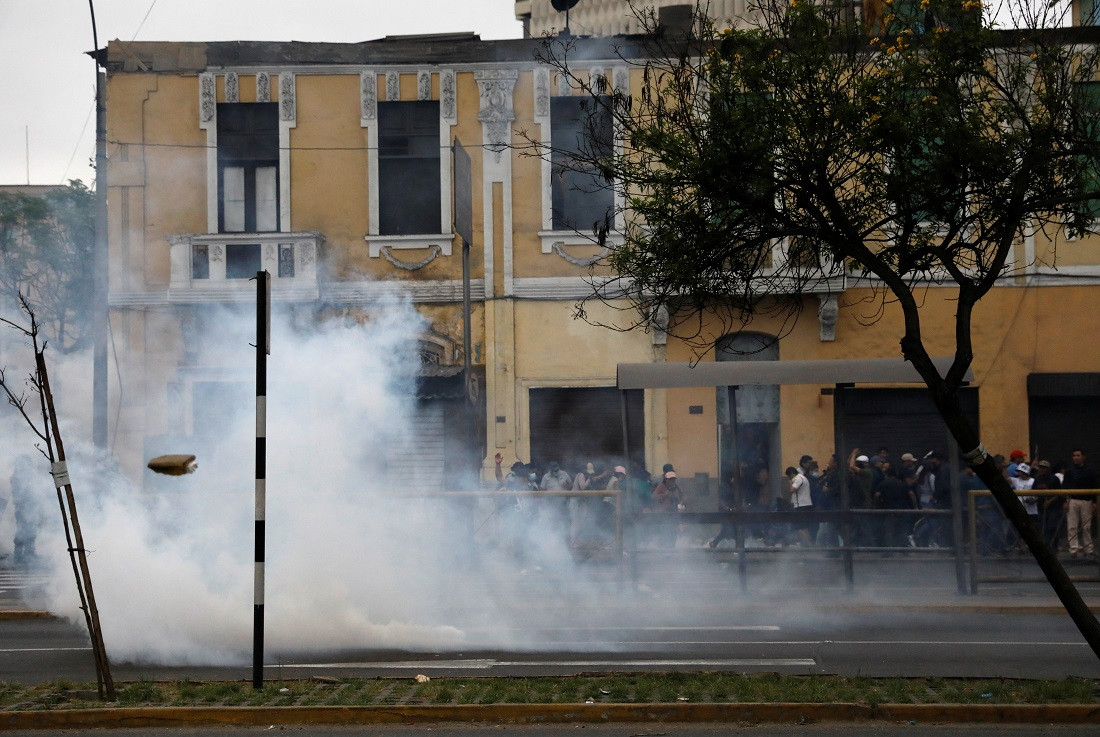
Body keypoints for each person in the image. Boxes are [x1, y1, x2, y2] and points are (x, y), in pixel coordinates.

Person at [1062, 448, 1097, 560]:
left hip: (1087, 501)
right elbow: (1065, 487)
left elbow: (1095, 485)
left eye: (1078, 455)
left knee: (1086, 526)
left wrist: (1095, 502)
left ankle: (1088, 549)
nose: (1076, 457)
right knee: (1072, 526)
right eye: (1074, 455)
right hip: (1073, 500)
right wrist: (1066, 501)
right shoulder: (1069, 470)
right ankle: (1074, 549)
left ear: (1083, 457)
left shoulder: (1090, 470)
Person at [1033, 459, 1064, 550]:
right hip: (1041, 507)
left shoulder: (1054, 478)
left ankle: (1053, 547)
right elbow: (1034, 491)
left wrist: (1049, 501)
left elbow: (1059, 493)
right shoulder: (1037, 478)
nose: (1041, 469)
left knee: (1052, 527)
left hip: (1053, 507)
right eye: (1040, 467)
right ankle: (1045, 547)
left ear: (1048, 469)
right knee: (1042, 527)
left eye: (1044, 468)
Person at [651, 470, 683, 548]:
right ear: (666, 479)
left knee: (673, 533)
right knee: (665, 533)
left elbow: (681, 497)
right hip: (664, 514)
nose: (672, 481)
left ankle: (671, 550)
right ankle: (664, 551)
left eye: (673, 479)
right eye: (670, 479)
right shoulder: (662, 486)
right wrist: (664, 495)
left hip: (673, 513)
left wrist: (679, 494)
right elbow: (654, 497)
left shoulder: (676, 487)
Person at [786, 465, 813, 547]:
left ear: (792, 474)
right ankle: (808, 544)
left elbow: (792, 489)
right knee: (804, 527)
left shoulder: (798, 479)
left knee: (799, 527)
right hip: (805, 505)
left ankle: (806, 545)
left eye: (789, 477)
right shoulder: (803, 477)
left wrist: (791, 483)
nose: (789, 478)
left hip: (800, 506)